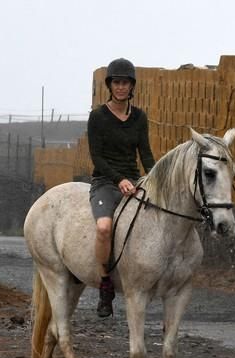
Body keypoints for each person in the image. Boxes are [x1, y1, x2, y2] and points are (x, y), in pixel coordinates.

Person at [87, 57, 155, 317]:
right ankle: (105, 285)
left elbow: (146, 154)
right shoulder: (98, 117)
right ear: (110, 85)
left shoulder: (139, 118)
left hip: (134, 182)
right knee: (104, 228)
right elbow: (98, 158)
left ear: (132, 86)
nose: (121, 87)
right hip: (106, 181)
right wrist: (118, 180)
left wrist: (156, 178)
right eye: (116, 82)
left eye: (125, 82)